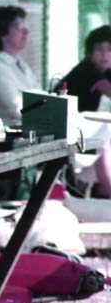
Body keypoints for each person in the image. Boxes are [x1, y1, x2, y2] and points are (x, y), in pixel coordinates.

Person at [58, 25, 111, 197]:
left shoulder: (104, 71)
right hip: (65, 127)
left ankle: (101, 188)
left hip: (78, 126)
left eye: (109, 49)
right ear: (89, 52)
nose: (104, 54)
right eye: (99, 49)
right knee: (106, 132)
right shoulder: (88, 70)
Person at [0, 6, 39, 127]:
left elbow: (39, 96)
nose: (26, 31)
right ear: (3, 32)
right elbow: (17, 107)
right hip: (5, 137)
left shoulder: (21, 65)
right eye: (19, 26)